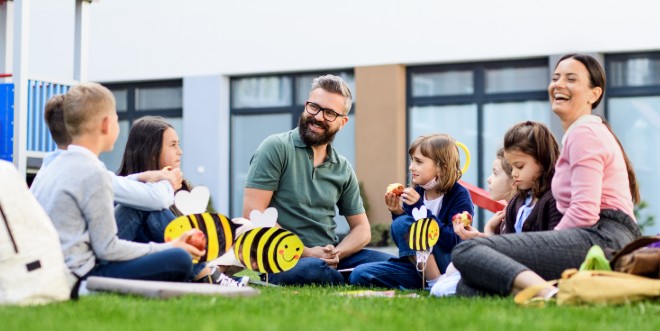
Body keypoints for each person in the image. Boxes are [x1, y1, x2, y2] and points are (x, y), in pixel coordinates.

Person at [451, 54, 641, 298]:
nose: (559, 84)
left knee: (467, 251)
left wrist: (547, 244)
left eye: (571, 79)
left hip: (603, 239)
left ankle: (552, 295)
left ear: (594, 94)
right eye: (556, 78)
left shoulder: (585, 132)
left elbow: (584, 212)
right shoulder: (582, 132)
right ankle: (550, 292)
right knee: (468, 285)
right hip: (600, 236)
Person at [30, 82, 202, 282]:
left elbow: (112, 183)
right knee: (180, 258)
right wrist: (170, 247)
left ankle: (204, 270)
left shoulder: (55, 164)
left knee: (139, 206)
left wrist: (143, 176)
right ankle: (204, 269)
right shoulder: (91, 173)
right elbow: (108, 249)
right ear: (106, 124)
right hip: (82, 275)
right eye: (116, 119)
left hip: (59, 266)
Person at [242, 74, 394, 285]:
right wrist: (306, 252)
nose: (319, 116)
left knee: (392, 264)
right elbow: (253, 213)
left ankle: (339, 274)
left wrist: (336, 253)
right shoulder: (275, 147)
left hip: (329, 258)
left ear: (343, 122)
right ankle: (347, 277)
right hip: (284, 257)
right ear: (306, 106)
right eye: (315, 107)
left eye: (330, 113)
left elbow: (362, 230)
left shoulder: (342, 167)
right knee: (312, 269)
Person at [113, 116, 246, 286]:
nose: (180, 151)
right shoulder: (124, 192)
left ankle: (213, 274)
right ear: (152, 151)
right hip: (140, 260)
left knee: (241, 227)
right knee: (151, 206)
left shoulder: (182, 186)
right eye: (173, 145)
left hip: (178, 257)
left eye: (178, 144)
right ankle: (209, 276)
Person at [433, 122, 562, 296]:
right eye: (513, 167)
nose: (515, 173)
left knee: (464, 254)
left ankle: (541, 292)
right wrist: (485, 236)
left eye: (520, 166)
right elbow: (506, 246)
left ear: (541, 162)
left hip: (536, 269)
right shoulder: (518, 202)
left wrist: (485, 240)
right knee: (455, 286)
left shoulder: (552, 199)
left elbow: (552, 247)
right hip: (512, 267)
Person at [348, 133, 474, 290]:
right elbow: (407, 242)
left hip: (448, 264)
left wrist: (419, 209)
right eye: (412, 160)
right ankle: (428, 281)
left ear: (442, 168)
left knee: (403, 223)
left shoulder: (459, 195)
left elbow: (452, 241)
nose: (411, 167)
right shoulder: (416, 192)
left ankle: (436, 283)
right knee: (360, 274)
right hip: (418, 266)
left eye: (419, 162)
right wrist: (398, 213)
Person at [41, 94, 180, 212]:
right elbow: (155, 199)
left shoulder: (51, 166)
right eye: (115, 120)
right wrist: (170, 182)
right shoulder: (86, 171)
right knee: (141, 207)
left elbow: (109, 182)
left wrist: (142, 176)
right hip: (95, 243)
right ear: (101, 125)